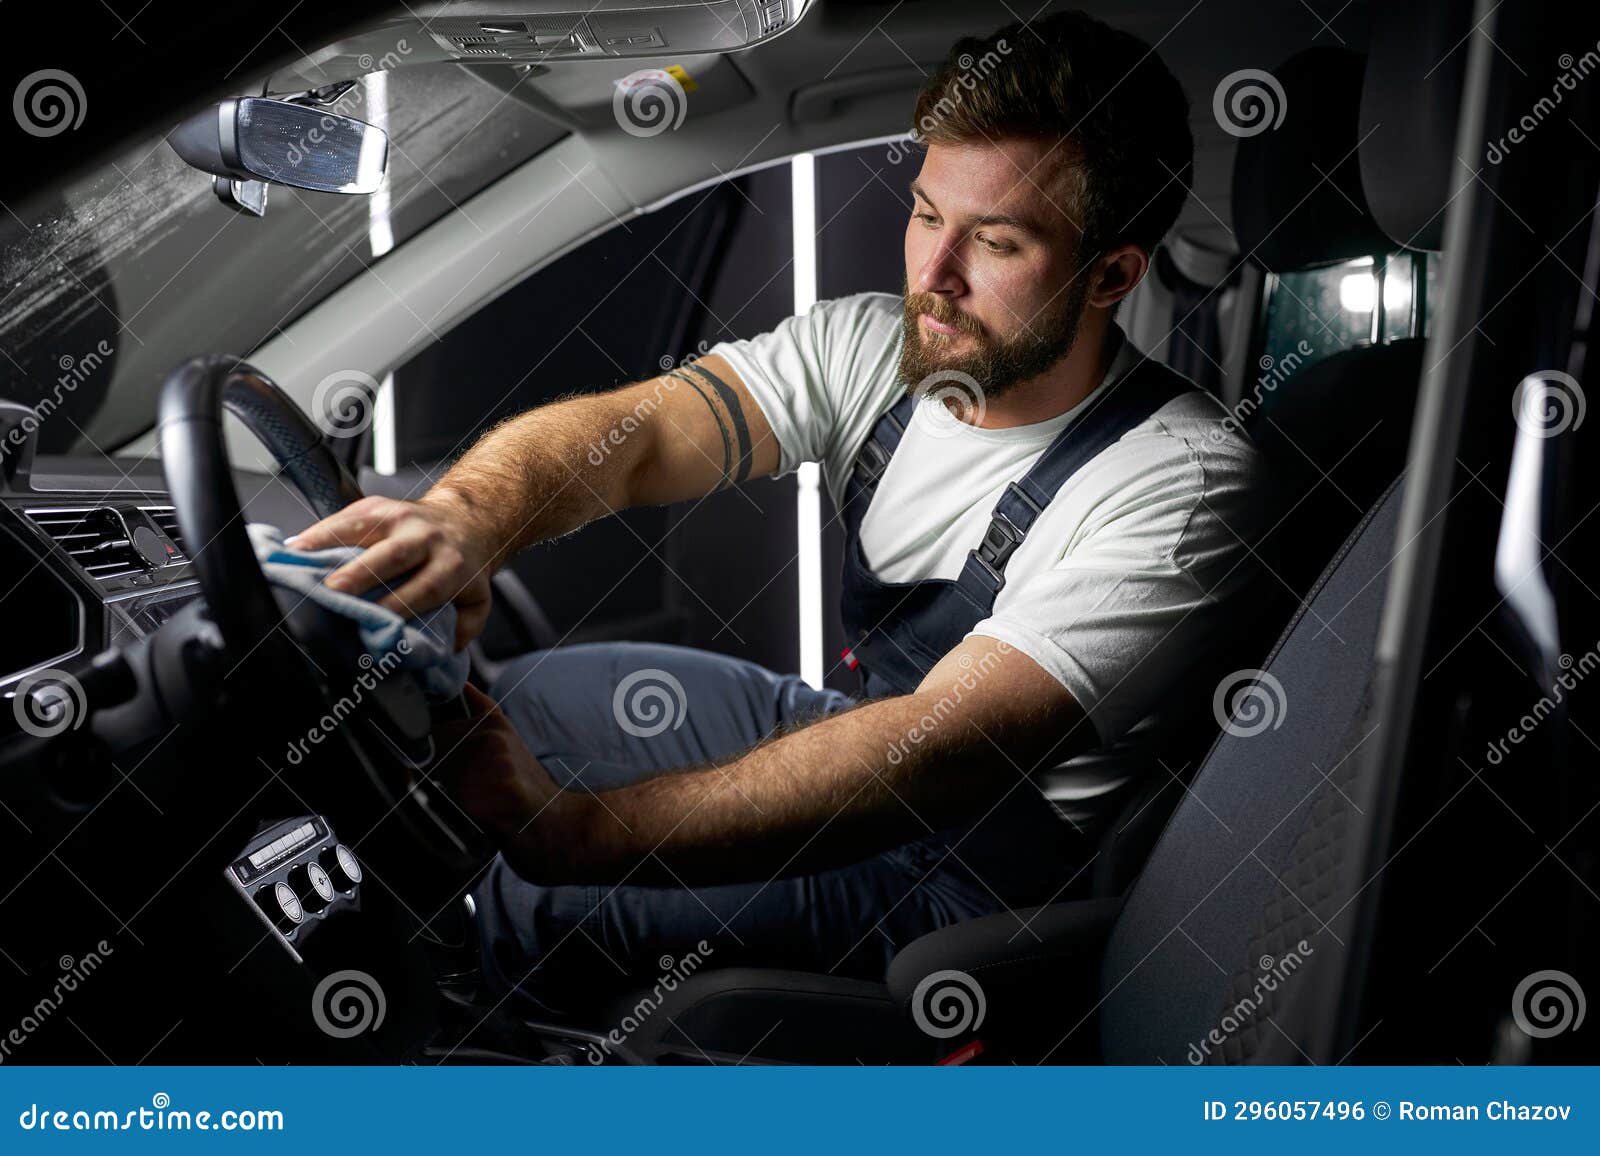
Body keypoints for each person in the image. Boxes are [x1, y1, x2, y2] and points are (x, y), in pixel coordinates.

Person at [290, 10, 1270, 1015]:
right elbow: (638, 438)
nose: (932, 279)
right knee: (534, 697)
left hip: (968, 874)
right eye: (927, 214)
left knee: (521, 895)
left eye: (997, 242)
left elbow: (934, 748)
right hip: (857, 730)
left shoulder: (1180, 480)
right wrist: (464, 519)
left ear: (1111, 274)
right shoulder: (872, 349)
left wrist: (575, 833)